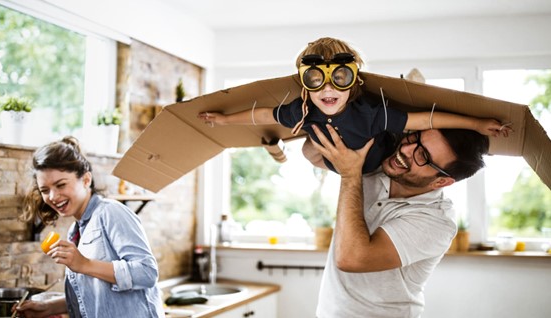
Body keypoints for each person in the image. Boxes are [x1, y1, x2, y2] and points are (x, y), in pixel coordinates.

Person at [198, 37, 511, 173]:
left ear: (355, 81)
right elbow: (264, 113)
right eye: (317, 79)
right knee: (307, 149)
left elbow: (425, 120)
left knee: (317, 146)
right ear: (306, 82)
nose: (329, 89)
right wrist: (225, 120)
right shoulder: (304, 109)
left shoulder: (372, 114)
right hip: (333, 162)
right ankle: (284, 153)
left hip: (374, 165)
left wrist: (476, 123)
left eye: (341, 77)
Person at [308, 123, 490, 317]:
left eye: (423, 156)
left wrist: (350, 174)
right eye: (414, 138)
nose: (405, 150)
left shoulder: (437, 222)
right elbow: (313, 154)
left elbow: (351, 258)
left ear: (441, 181)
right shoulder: (379, 164)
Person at [16, 136, 165, 318]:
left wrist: (84, 264)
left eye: (61, 184)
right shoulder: (76, 231)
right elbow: (95, 295)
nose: (53, 196)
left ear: (86, 180)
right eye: (45, 190)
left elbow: (147, 272)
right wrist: (48, 308)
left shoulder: (111, 212)